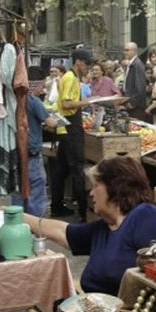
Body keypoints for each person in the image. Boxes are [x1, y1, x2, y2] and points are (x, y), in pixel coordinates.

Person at [24, 155, 156, 296]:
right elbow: (63, 232)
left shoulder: (147, 217)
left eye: (95, 186)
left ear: (115, 186)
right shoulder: (105, 227)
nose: (91, 193)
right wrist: (17, 217)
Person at [50, 49, 93, 220]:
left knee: (61, 170)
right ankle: (83, 212)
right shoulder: (70, 78)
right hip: (69, 128)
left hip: (67, 127)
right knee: (77, 169)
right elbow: (67, 104)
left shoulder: (73, 78)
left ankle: (56, 206)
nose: (87, 68)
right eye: (87, 64)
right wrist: (87, 101)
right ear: (79, 62)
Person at [12, 77, 58, 217]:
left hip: (14, 151)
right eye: (41, 86)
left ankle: (18, 222)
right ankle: (36, 225)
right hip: (31, 152)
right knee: (36, 187)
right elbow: (51, 123)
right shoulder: (33, 101)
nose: (42, 89)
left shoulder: (12, 101)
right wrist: (56, 120)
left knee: (18, 188)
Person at [122, 42, 148, 121]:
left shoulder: (137, 65)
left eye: (127, 50)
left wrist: (133, 102)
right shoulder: (131, 64)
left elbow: (140, 86)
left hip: (136, 107)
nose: (125, 53)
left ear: (134, 51)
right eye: (125, 50)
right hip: (129, 103)